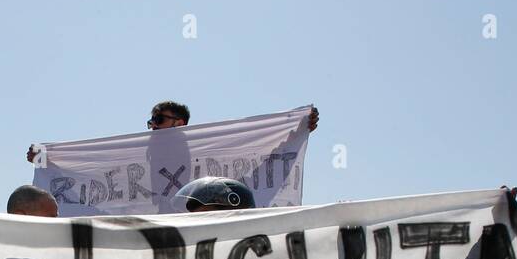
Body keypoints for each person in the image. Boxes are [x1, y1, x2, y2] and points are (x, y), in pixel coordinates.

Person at [26, 101, 321, 162]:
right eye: (151, 120)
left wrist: (296, 130)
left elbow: (259, 158)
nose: (152, 125)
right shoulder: (141, 152)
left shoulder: (207, 155)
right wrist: (47, 159)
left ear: (179, 123)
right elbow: (91, 166)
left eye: (159, 119)